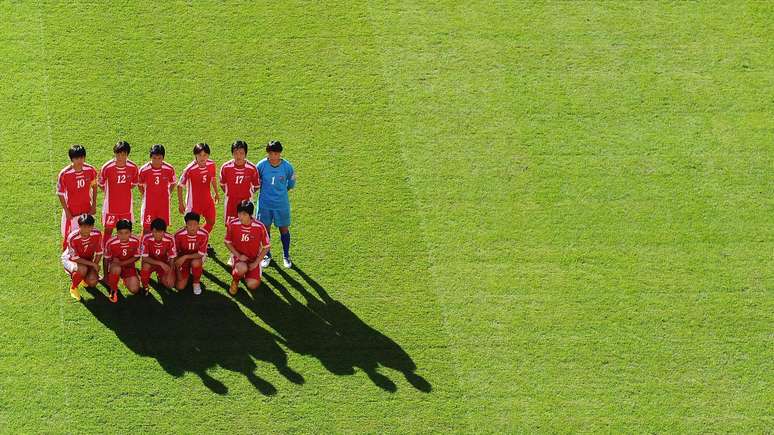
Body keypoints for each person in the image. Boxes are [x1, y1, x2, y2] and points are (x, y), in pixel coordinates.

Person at [98, 140, 139, 273]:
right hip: (110, 208)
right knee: (108, 234)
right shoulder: (107, 167)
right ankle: (106, 261)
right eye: (118, 154)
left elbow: (134, 183)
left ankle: (127, 260)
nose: (120, 157)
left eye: (123, 154)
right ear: (114, 153)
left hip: (126, 208)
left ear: (127, 154)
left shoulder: (133, 167)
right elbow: (101, 183)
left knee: (127, 234)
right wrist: (111, 193)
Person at [256, 140, 296, 268]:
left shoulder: (287, 166)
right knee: (265, 230)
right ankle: (267, 255)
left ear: (280, 153)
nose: (273, 157)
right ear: (268, 153)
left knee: (284, 229)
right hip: (265, 204)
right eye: (271, 154)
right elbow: (256, 181)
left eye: (276, 154)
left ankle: (286, 255)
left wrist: (284, 190)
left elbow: (292, 180)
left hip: (281, 204)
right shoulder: (261, 165)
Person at [178, 143, 219, 250]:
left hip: (207, 200)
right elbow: (179, 185)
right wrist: (181, 203)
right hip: (193, 204)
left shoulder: (211, 164)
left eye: (205, 155)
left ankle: (201, 240)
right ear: (195, 156)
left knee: (211, 222)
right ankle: (187, 246)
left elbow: (213, 178)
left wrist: (216, 192)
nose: (202, 158)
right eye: (200, 155)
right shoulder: (189, 169)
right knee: (191, 227)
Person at [224, 200, 270, 295]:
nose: (240, 217)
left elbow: (266, 247)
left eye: (244, 214)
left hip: (253, 259)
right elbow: (227, 242)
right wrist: (238, 255)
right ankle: (235, 280)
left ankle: (246, 273)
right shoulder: (233, 224)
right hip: (239, 257)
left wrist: (256, 262)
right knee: (241, 268)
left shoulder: (259, 227)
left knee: (252, 285)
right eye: (239, 214)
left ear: (250, 215)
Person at [57, 144, 98, 250]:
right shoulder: (64, 174)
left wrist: (93, 205)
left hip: (86, 209)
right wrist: (67, 212)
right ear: (72, 159)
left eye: (81, 157)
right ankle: (67, 265)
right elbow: (60, 194)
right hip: (71, 211)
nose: (79, 160)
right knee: (68, 239)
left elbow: (94, 187)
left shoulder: (91, 170)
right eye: (76, 158)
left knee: (86, 237)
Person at [60, 214, 102, 300]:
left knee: (92, 282)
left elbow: (99, 252)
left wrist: (94, 266)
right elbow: (75, 258)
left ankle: (82, 277)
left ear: (92, 226)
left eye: (89, 227)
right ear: (79, 226)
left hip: (86, 260)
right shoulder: (72, 237)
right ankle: (73, 288)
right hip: (70, 260)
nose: (86, 230)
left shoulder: (97, 234)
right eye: (83, 227)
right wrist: (93, 265)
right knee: (82, 269)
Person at [219, 139, 260, 228]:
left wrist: (248, 193)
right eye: (236, 153)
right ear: (232, 153)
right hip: (231, 202)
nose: (238, 156)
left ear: (245, 154)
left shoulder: (252, 168)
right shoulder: (226, 167)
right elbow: (222, 184)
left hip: (246, 202)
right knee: (230, 227)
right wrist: (231, 193)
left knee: (248, 226)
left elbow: (256, 186)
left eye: (241, 153)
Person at [138, 144, 176, 234]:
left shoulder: (169, 169)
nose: (156, 161)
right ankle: (143, 247)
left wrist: (168, 193)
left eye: (159, 158)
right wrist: (145, 195)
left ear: (163, 158)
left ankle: (161, 247)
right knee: (146, 229)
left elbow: (173, 183)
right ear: (150, 157)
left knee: (162, 228)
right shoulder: (144, 170)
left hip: (163, 204)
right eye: (154, 158)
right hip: (149, 205)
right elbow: (139, 184)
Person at [103, 219, 142, 303]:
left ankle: (126, 279)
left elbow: (137, 257)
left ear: (131, 232)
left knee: (135, 289)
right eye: (120, 233)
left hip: (128, 266)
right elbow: (106, 259)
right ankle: (113, 290)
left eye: (126, 233)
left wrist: (121, 263)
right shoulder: (111, 242)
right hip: (115, 266)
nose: (123, 236)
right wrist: (105, 275)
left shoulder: (136, 241)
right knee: (116, 268)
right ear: (117, 232)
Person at [173, 212, 209, 295]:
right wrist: (178, 265)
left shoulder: (204, 234)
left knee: (195, 263)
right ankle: (188, 271)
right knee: (180, 287)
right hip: (183, 258)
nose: (192, 227)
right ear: (186, 225)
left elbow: (200, 254)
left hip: (197, 256)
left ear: (199, 225)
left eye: (195, 224)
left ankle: (196, 282)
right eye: (190, 225)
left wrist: (185, 257)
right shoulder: (178, 235)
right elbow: (175, 253)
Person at [139, 218, 177, 294]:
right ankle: (145, 286)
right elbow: (145, 258)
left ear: (164, 232)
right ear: (151, 230)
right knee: (145, 266)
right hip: (150, 262)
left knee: (170, 284)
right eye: (155, 231)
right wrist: (160, 263)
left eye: (160, 232)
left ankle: (160, 276)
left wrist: (170, 273)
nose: (157, 234)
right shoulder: (146, 238)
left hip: (164, 263)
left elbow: (172, 258)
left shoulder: (170, 238)